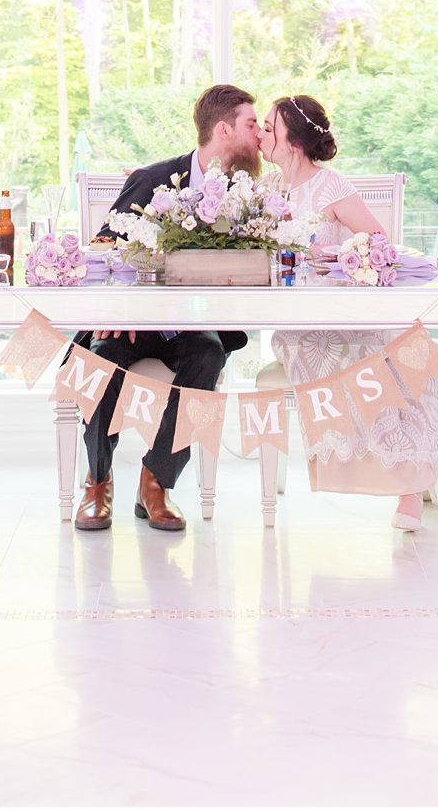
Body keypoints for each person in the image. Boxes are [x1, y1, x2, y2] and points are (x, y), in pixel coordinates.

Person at [261, 92, 438, 531]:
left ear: (294, 141)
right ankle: (377, 471)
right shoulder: (267, 189)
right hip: (299, 324)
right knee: (329, 351)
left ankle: (410, 485)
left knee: (396, 356)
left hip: (345, 311)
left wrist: (332, 253)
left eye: (270, 127)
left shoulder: (331, 185)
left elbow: (380, 244)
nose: (262, 134)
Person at [73, 81, 261, 535]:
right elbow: (103, 248)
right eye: (252, 124)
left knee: (209, 355)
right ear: (223, 130)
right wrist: (117, 314)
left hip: (191, 326)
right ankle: (97, 481)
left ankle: (156, 481)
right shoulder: (153, 178)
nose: (259, 134)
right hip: (132, 323)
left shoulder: (248, 194)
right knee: (100, 357)